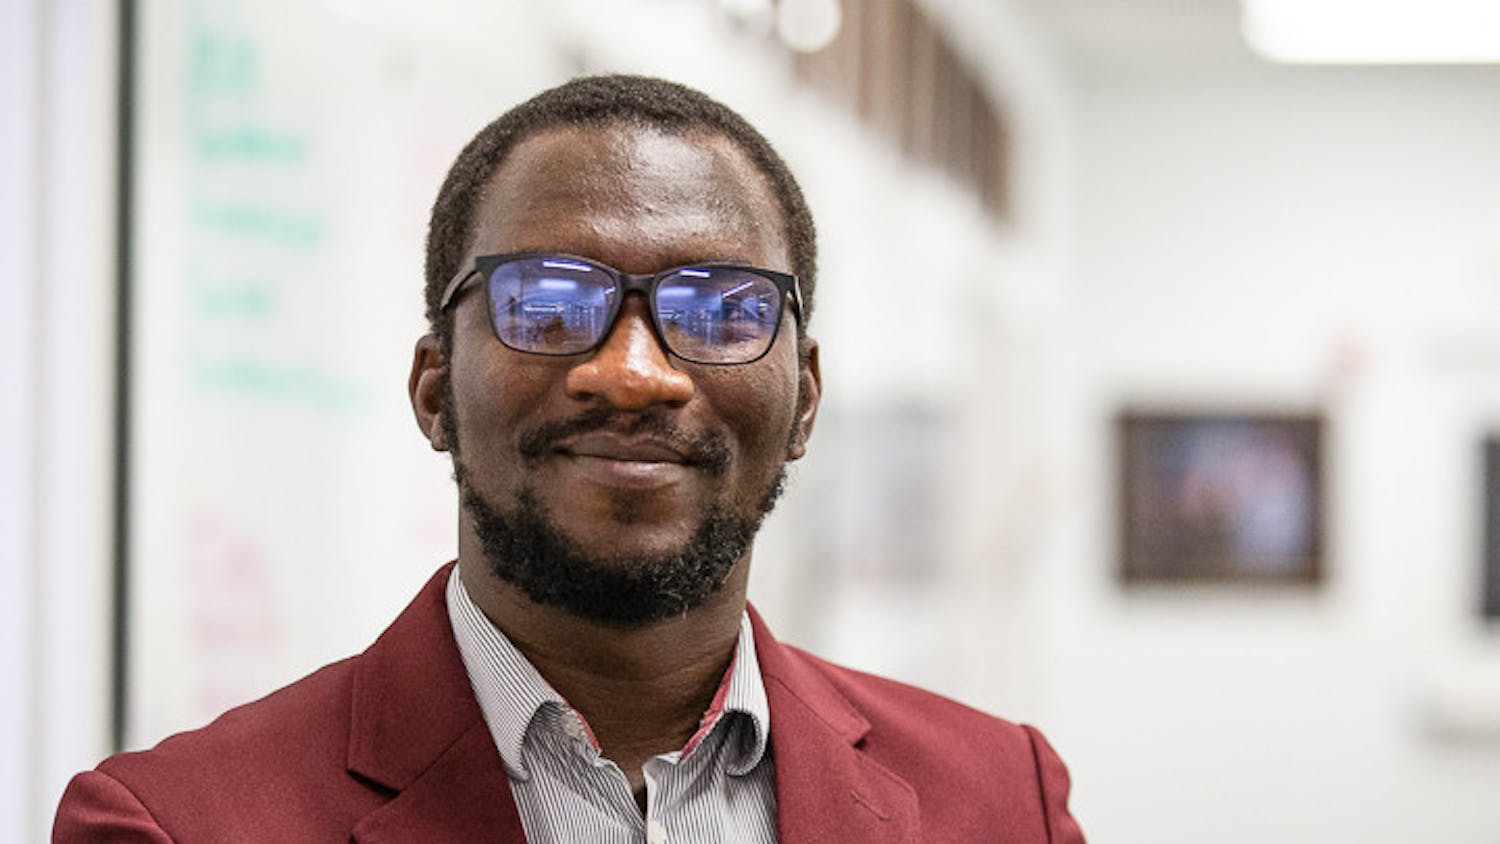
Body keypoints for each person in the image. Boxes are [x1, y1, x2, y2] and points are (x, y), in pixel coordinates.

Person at [54, 74, 1084, 843]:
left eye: (720, 310)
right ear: (433, 388)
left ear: (804, 397)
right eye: (547, 305)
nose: (633, 373)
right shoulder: (177, 824)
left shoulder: (1000, 798)